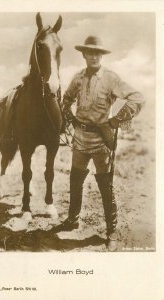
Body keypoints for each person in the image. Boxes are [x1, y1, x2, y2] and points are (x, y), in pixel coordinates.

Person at [61, 35, 145, 251]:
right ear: (84, 55)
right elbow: (66, 100)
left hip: (101, 143)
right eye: (90, 52)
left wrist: (116, 120)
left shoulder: (111, 79)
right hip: (80, 139)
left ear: (102, 55)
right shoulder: (77, 78)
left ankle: (111, 231)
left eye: (98, 52)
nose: (94, 56)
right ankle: (72, 220)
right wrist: (69, 118)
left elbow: (137, 97)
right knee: (75, 181)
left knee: (105, 186)